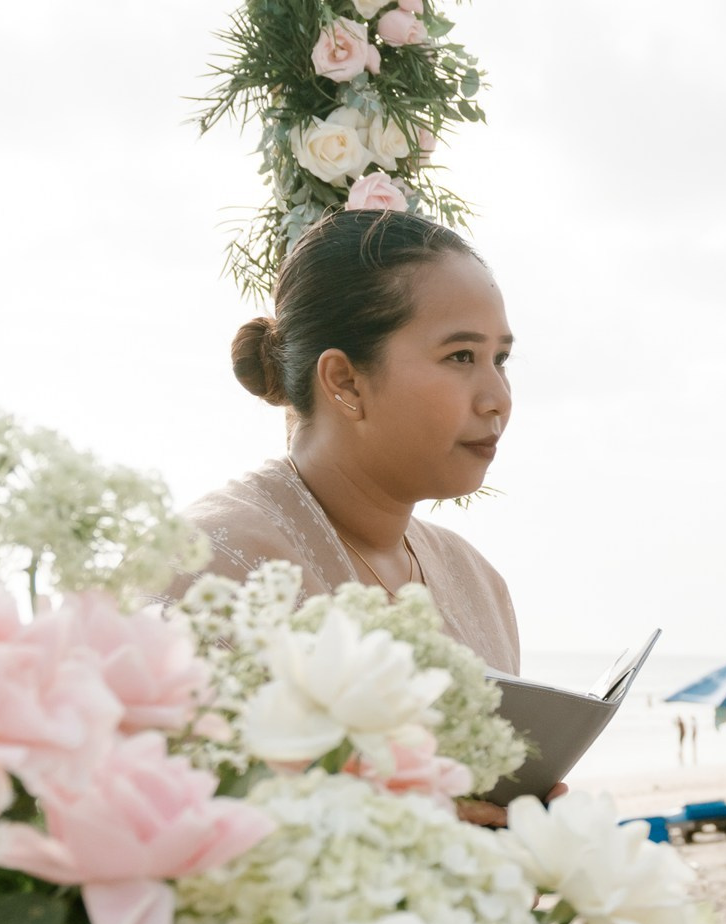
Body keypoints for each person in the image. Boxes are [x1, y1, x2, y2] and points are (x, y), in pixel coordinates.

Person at [183, 209, 522, 675]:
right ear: (344, 381)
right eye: (460, 356)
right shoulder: (213, 570)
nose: (497, 400)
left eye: (500, 358)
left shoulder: (480, 586)